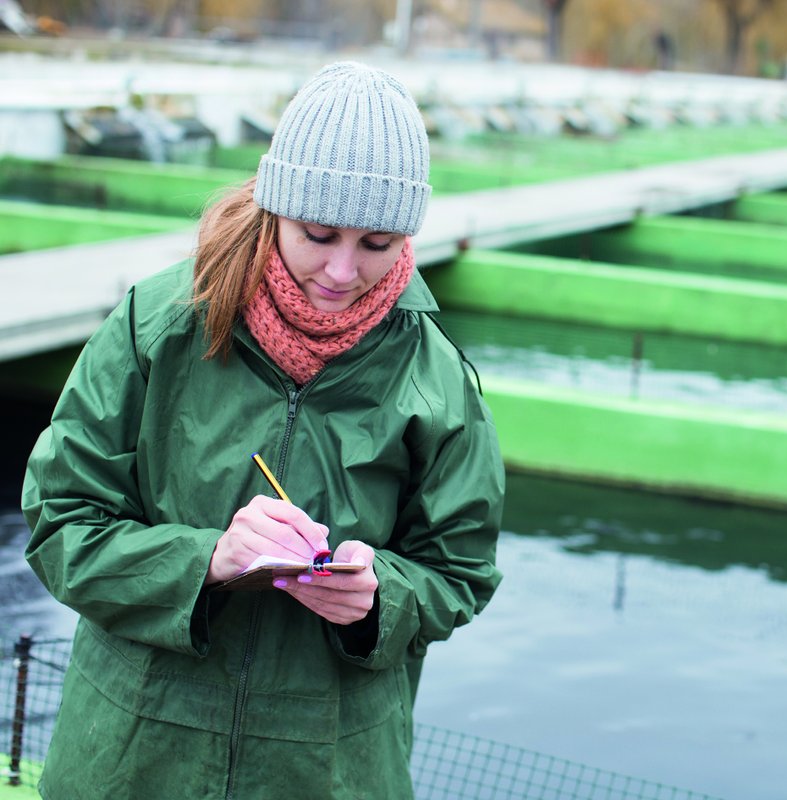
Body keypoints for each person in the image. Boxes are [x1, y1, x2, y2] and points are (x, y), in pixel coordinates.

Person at [22, 61, 504, 799]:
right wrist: (206, 560)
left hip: (328, 769)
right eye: (318, 233)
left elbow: (460, 571)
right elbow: (60, 523)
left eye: (378, 244)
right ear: (276, 207)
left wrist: (379, 599)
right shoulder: (157, 326)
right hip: (134, 758)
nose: (342, 271)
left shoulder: (436, 377)